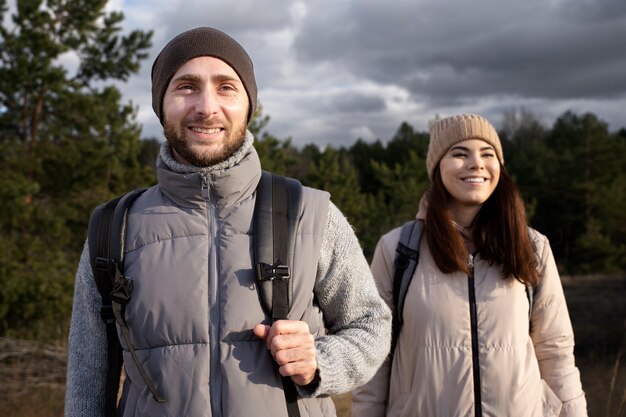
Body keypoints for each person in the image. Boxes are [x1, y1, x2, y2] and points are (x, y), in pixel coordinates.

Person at [64, 26, 391, 417]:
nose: (206, 106)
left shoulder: (309, 213)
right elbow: (86, 384)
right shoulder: (113, 229)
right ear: (161, 104)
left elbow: (371, 326)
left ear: (249, 105)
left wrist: (320, 362)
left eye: (226, 87)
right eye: (186, 86)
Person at [352, 114, 587, 417]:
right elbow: (374, 356)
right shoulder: (397, 249)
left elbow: (556, 351)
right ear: (438, 167)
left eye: (487, 154)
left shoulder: (533, 247)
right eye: (459, 154)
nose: (476, 163)